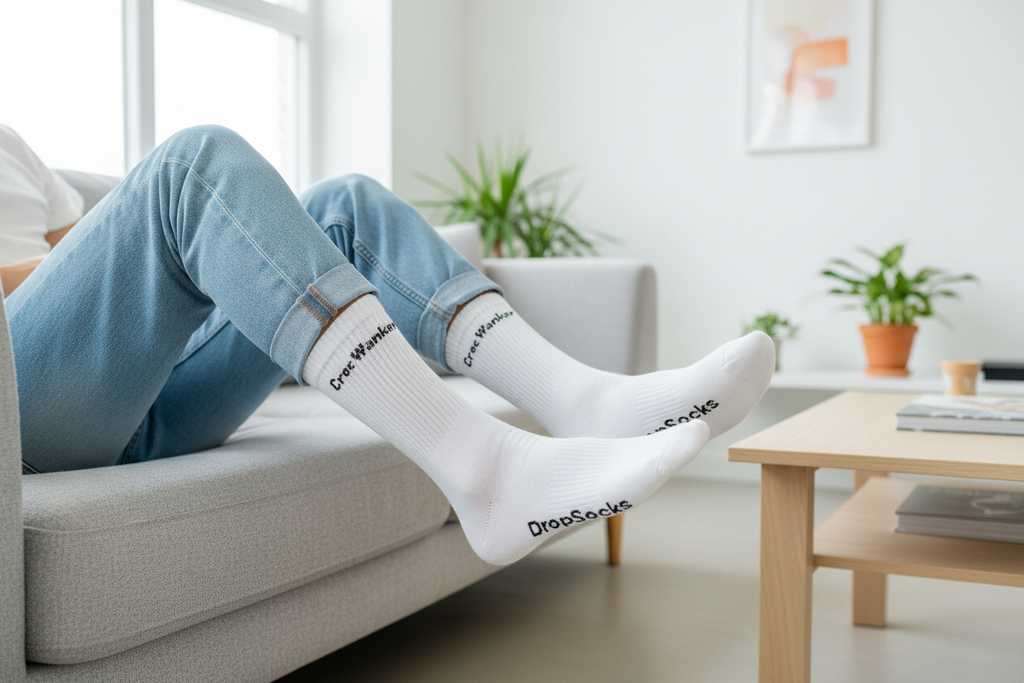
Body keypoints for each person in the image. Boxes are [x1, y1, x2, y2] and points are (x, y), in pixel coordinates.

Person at [0, 124, 774, 566]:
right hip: (25, 406)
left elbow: (85, 270)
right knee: (188, 167)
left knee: (343, 205)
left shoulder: (14, 147)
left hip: (131, 383)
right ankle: (485, 472)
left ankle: (588, 401)